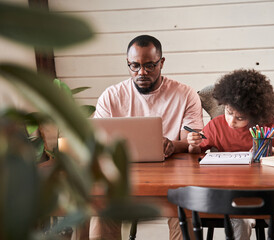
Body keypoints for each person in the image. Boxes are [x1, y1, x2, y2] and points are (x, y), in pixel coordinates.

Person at [84, 35, 204, 240]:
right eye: (134, 66)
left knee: (185, 211)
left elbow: (192, 142)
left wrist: (173, 145)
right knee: (100, 207)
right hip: (122, 176)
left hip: (175, 178)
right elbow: (99, 141)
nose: (141, 72)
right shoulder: (111, 96)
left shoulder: (185, 94)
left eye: (150, 66)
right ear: (128, 64)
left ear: (162, 63)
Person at [187, 69, 274, 240]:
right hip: (232, 192)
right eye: (229, 112)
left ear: (255, 115)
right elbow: (196, 153)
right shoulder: (216, 126)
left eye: (240, 117)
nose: (231, 121)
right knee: (240, 221)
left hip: (265, 189)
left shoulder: (267, 125)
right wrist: (192, 144)